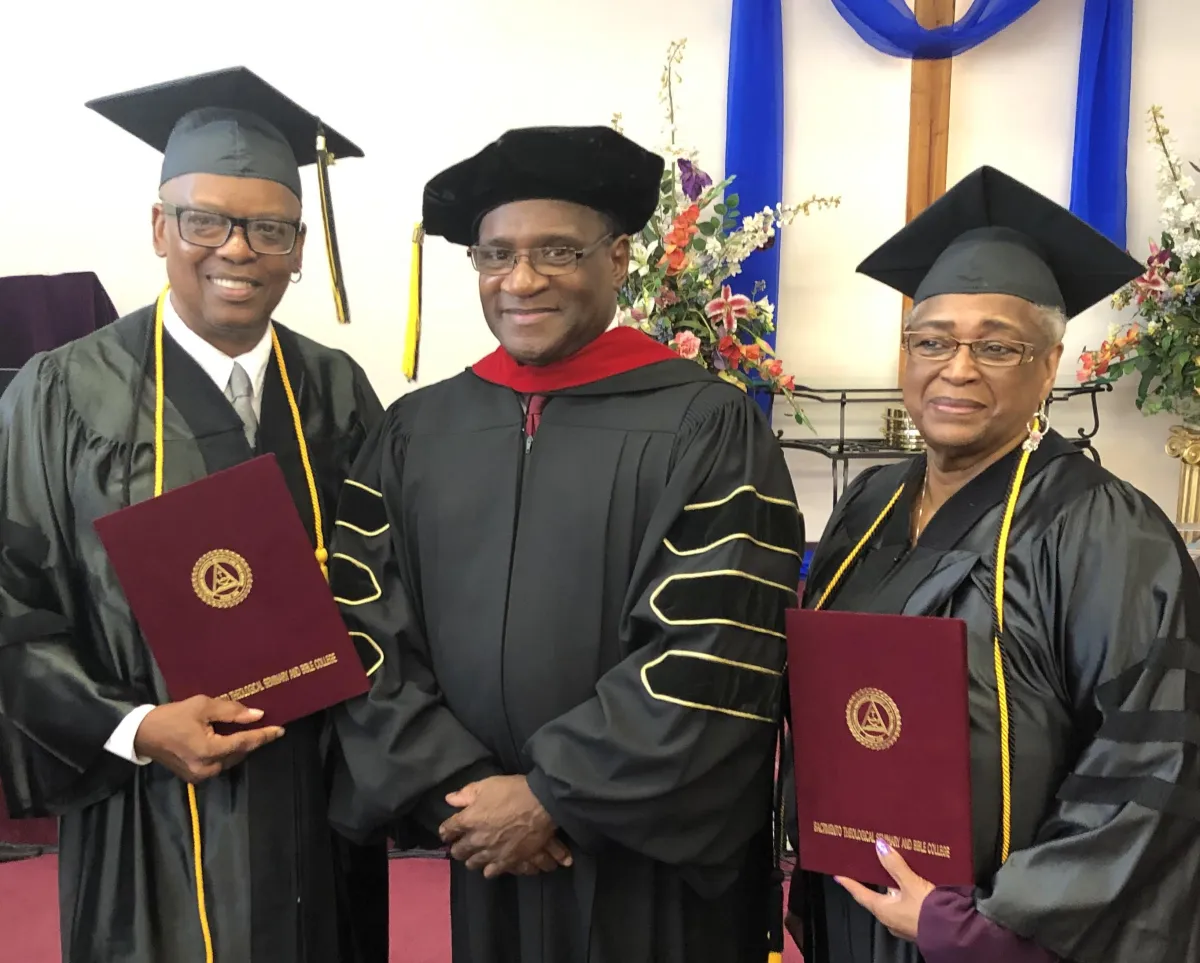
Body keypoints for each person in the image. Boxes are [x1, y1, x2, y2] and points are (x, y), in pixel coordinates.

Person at [325, 125, 804, 963]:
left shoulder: (704, 422)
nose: (522, 279)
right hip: (481, 839)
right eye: (496, 254)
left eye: (556, 251)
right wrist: (456, 793)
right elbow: (366, 621)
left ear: (618, 259)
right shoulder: (419, 428)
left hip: (647, 862)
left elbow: (718, 642)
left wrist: (553, 796)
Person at [0, 68, 388, 963]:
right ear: (159, 228)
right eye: (204, 220)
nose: (235, 250)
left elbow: (388, 583)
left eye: (269, 228)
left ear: (299, 246)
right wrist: (133, 726)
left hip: (312, 792)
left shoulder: (335, 391)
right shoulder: (59, 393)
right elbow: (10, 600)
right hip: (145, 805)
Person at [783, 166, 1200, 963]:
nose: (957, 367)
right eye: (931, 340)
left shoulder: (1104, 530)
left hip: (986, 932)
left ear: (1048, 366)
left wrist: (977, 924)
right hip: (854, 902)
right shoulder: (867, 503)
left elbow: (1152, 765)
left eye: (997, 346)